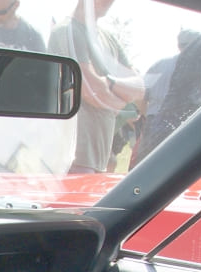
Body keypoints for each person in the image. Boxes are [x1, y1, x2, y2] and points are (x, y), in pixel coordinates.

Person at [48, 0, 143, 173]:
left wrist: (109, 83)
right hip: (75, 157)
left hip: (100, 155)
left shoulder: (108, 38)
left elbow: (139, 88)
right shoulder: (68, 31)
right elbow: (92, 91)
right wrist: (123, 103)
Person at [130, 16, 201, 164]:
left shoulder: (194, 45)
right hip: (183, 125)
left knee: (145, 174)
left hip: (161, 121)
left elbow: (140, 94)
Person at [133, 28, 199, 163]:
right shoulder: (198, 68)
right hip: (180, 124)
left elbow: (140, 95)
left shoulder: (160, 65)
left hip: (153, 120)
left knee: (144, 165)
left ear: (179, 44)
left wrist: (148, 115)